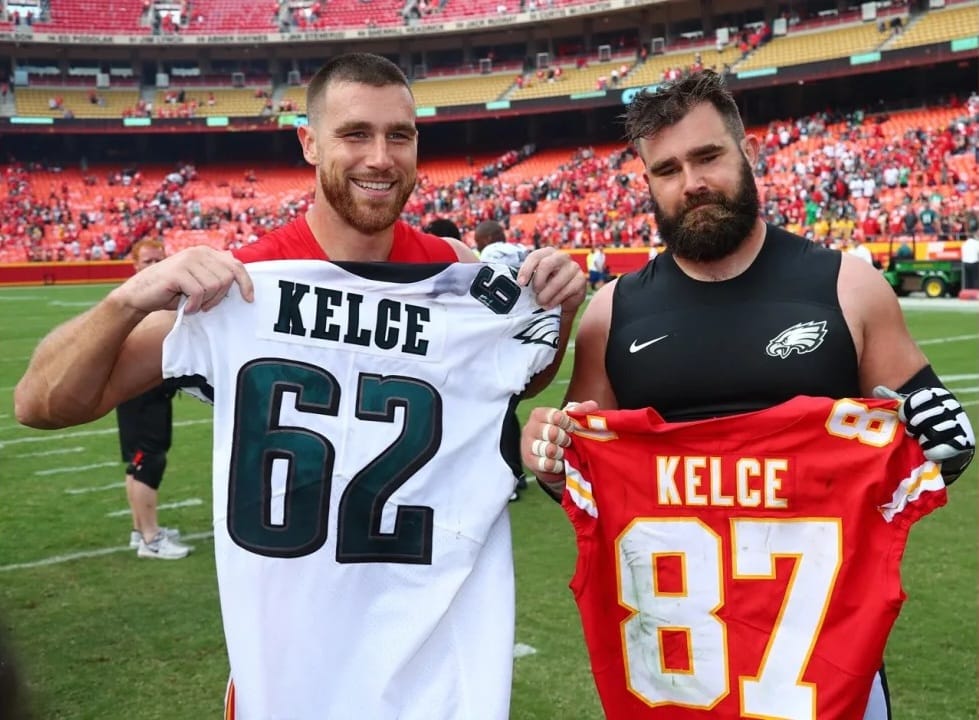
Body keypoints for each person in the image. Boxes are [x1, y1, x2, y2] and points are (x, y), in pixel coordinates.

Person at [14, 52, 586, 720]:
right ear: (308, 143)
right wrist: (129, 300)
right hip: (290, 672)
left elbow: (509, 383)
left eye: (398, 135)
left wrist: (556, 309)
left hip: (438, 676)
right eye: (354, 134)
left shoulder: (454, 274)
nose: (379, 156)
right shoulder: (244, 287)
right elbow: (41, 403)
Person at [519, 71, 974, 720]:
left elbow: (933, 439)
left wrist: (946, 446)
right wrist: (550, 456)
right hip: (678, 673)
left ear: (746, 153)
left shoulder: (848, 288)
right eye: (667, 168)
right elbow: (581, 480)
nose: (691, 182)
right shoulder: (611, 314)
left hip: (823, 669)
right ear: (646, 184)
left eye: (707, 156)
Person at [116, 239, 192, 560]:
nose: (153, 266)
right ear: (135, 265)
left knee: (137, 460)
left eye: (158, 260)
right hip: (142, 388)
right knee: (149, 458)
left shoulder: (141, 296)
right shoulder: (139, 299)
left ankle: (140, 529)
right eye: (147, 261)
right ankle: (151, 538)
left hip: (137, 387)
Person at [473, 219, 531, 501]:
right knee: (508, 409)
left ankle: (506, 476)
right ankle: (516, 472)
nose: (477, 243)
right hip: (528, 333)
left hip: (503, 337)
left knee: (495, 411)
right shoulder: (522, 249)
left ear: (488, 238)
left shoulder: (492, 254)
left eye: (479, 239)